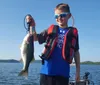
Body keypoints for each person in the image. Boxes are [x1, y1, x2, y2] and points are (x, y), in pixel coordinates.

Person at [26, 3, 80, 85]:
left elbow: (76, 52)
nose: (59, 18)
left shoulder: (73, 33)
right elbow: (35, 38)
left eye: (62, 15)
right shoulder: (51, 29)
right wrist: (32, 26)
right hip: (46, 73)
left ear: (69, 16)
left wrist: (78, 72)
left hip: (63, 75)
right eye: (56, 16)